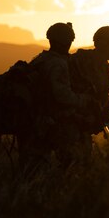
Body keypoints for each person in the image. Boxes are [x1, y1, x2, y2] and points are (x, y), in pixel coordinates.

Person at [21, 22, 92, 172]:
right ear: (65, 41)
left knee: (31, 170)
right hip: (47, 123)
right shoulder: (57, 64)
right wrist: (83, 100)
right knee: (70, 164)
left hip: (34, 120)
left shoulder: (41, 58)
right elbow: (62, 96)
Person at [68, 25, 109, 164]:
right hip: (72, 127)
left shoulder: (101, 66)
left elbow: (100, 96)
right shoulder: (82, 62)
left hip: (83, 128)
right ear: (104, 44)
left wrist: (106, 117)